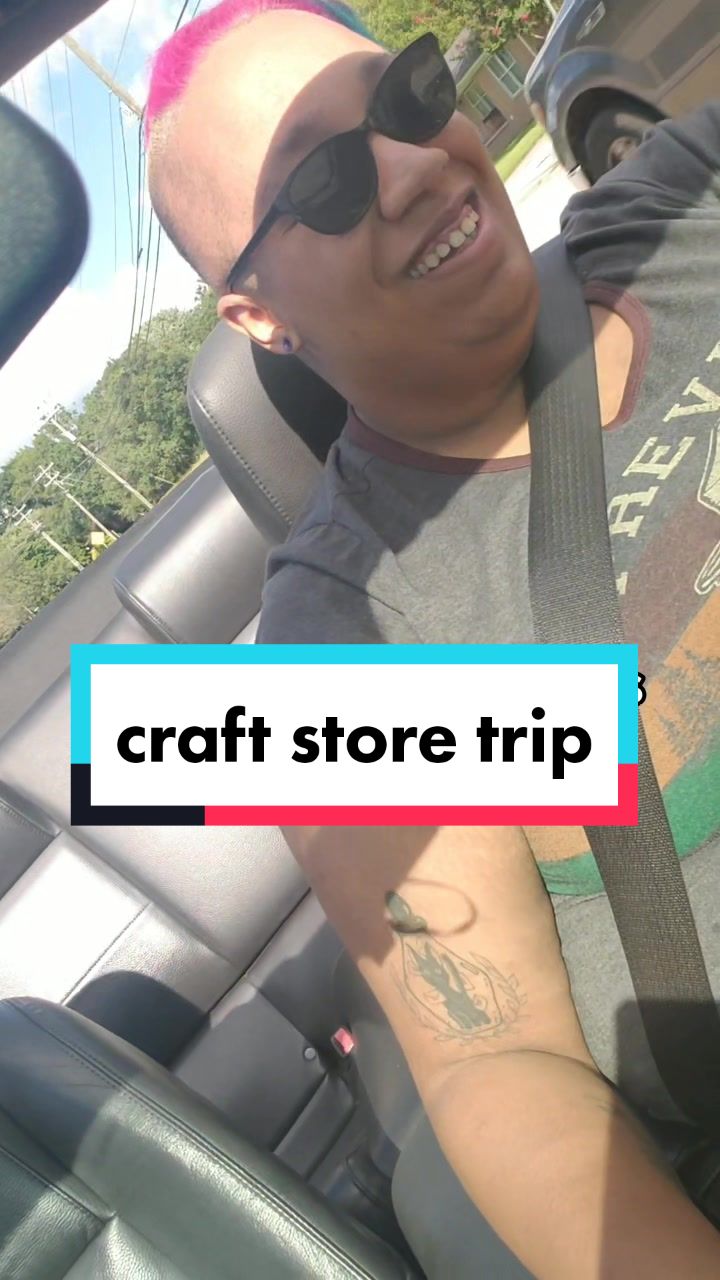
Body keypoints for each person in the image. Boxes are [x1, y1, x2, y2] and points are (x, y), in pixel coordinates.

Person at [146, 2, 720, 1274]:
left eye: (405, 95)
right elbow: (502, 1064)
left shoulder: (689, 200)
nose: (415, 165)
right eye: (327, 179)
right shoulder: (346, 641)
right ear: (259, 317)